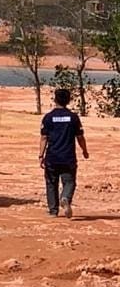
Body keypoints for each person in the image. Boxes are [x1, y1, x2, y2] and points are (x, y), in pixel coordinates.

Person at [39, 88, 89, 218]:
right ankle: (65, 197)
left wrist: (41, 155)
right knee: (69, 181)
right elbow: (80, 137)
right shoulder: (73, 118)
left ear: (55, 100)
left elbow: (44, 138)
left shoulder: (48, 117)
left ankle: (53, 211)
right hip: (68, 157)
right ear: (68, 100)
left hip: (52, 157)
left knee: (51, 183)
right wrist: (84, 150)